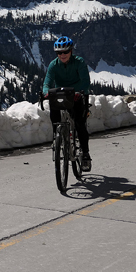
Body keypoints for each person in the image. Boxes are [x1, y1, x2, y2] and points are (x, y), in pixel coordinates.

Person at [42, 36, 92, 171]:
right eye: (59, 53)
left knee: (80, 123)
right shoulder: (53, 65)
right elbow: (47, 82)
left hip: (76, 94)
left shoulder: (79, 62)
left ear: (71, 51)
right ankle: (57, 137)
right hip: (60, 94)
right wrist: (46, 92)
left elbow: (85, 82)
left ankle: (85, 154)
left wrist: (79, 91)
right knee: (54, 113)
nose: (62, 55)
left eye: (65, 52)